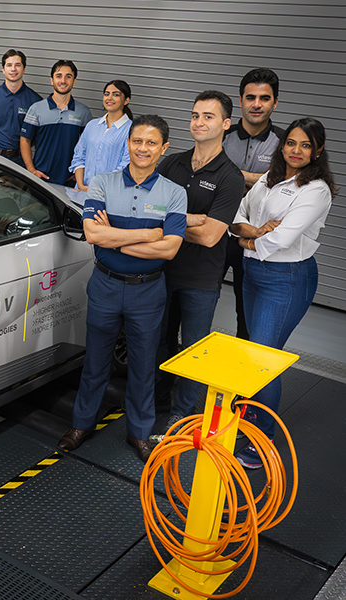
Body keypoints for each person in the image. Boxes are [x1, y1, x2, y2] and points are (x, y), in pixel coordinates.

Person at [58, 115, 187, 463]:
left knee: (144, 366)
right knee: (95, 361)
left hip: (148, 291)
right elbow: (93, 235)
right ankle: (82, 424)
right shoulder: (101, 183)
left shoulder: (174, 193)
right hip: (105, 285)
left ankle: (140, 432)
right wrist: (148, 234)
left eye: (151, 143)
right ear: (127, 143)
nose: (142, 149)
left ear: (164, 148)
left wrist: (115, 238)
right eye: (137, 141)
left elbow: (171, 248)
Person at [229, 118, 335, 469]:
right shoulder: (270, 178)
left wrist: (248, 238)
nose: (296, 150)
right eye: (291, 142)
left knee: (264, 358)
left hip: (287, 279)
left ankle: (263, 439)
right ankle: (251, 415)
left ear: (318, 150)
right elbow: (236, 215)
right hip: (253, 272)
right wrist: (253, 231)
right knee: (251, 348)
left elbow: (281, 239)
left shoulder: (315, 189)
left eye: (305, 145)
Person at [155, 91, 245, 420]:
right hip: (162, 270)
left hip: (200, 280)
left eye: (208, 116)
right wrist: (189, 220)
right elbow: (150, 211)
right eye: (195, 115)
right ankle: (156, 403)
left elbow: (210, 237)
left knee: (194, 351)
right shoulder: (172, 163)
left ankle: (183, 417)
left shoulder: (230, 178)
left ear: (225, 124)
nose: (199, 121)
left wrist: (167, 223)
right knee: (160, 342)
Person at [222, 68, 284, 340]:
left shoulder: (284, 142)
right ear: (240, 100)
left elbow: (283, 184)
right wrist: (259, 179)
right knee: (197, 301)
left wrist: (233, 175)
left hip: (256, 237)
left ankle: (237, 376)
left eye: (264, 98)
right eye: (250, 97)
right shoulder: (223, 134)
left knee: (246, 312)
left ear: (275, 102)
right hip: (218, 232)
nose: (256, 104)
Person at [20, 60, 92, 185]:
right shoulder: (36, 109)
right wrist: (31, 170)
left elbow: (90, 146)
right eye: (58, 76)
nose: (63, 80)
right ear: (52, 80)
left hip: (69, 181)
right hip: (41, 179)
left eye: (68, 76)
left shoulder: (83, 112)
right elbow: (25, 140)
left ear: (74, 81)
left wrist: (80, 173)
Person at [0, 49, 42, 165]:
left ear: (24, 69)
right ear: (3, 69)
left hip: (21, 160)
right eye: (9, 65)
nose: (13, 69)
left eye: (18, 65)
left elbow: (37, 135)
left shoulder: (35, 101)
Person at [69, 80, 133, 191]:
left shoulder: (132, 130)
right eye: (106, 94)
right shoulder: (92, 125)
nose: (109, 98)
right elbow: (79, 156)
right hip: (82, 191)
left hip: (110, 193)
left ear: (126, 100)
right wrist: (81, 186)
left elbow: (126, 165)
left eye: (116, 94)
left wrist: (99, 188)